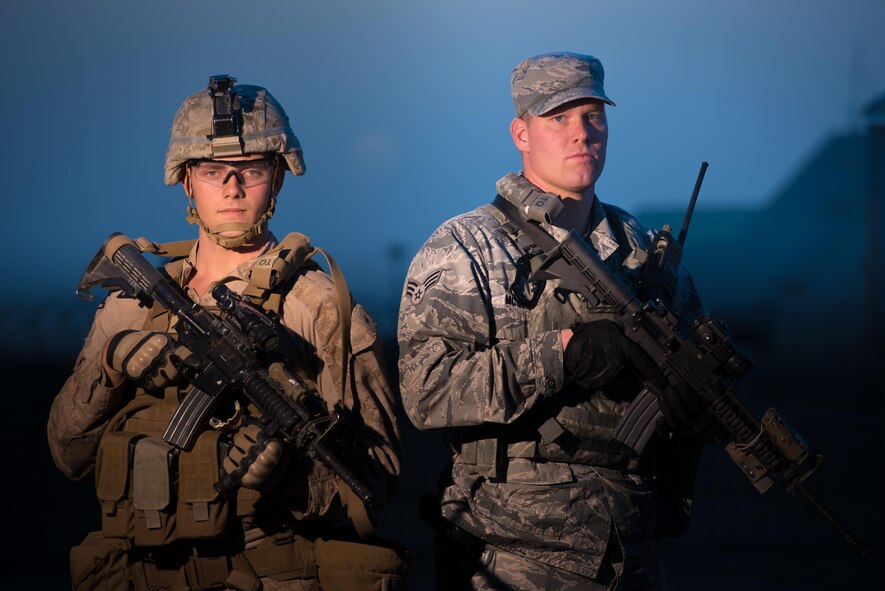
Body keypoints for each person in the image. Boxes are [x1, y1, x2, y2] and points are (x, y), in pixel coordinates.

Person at [49, 76, 408, 590]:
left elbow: (379, 472)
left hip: (268, 572)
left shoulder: (321, 306)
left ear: (278, 180)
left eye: (252, 171)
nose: (233, 188)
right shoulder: (130, 306)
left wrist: (291, 480)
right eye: (214, 171)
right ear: (188, 181)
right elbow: (68, 455)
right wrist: (110, 364)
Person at [397, 52, 709, 590]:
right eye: (558, 118)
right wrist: (562, 352)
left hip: (629, 548)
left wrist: (688, 395)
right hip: (513, 554)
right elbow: (426, 390)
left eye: (594, 116)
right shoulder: (466, 246)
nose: (581, 133)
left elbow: (689, 359)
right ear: (520, 133)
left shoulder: (637, 251)